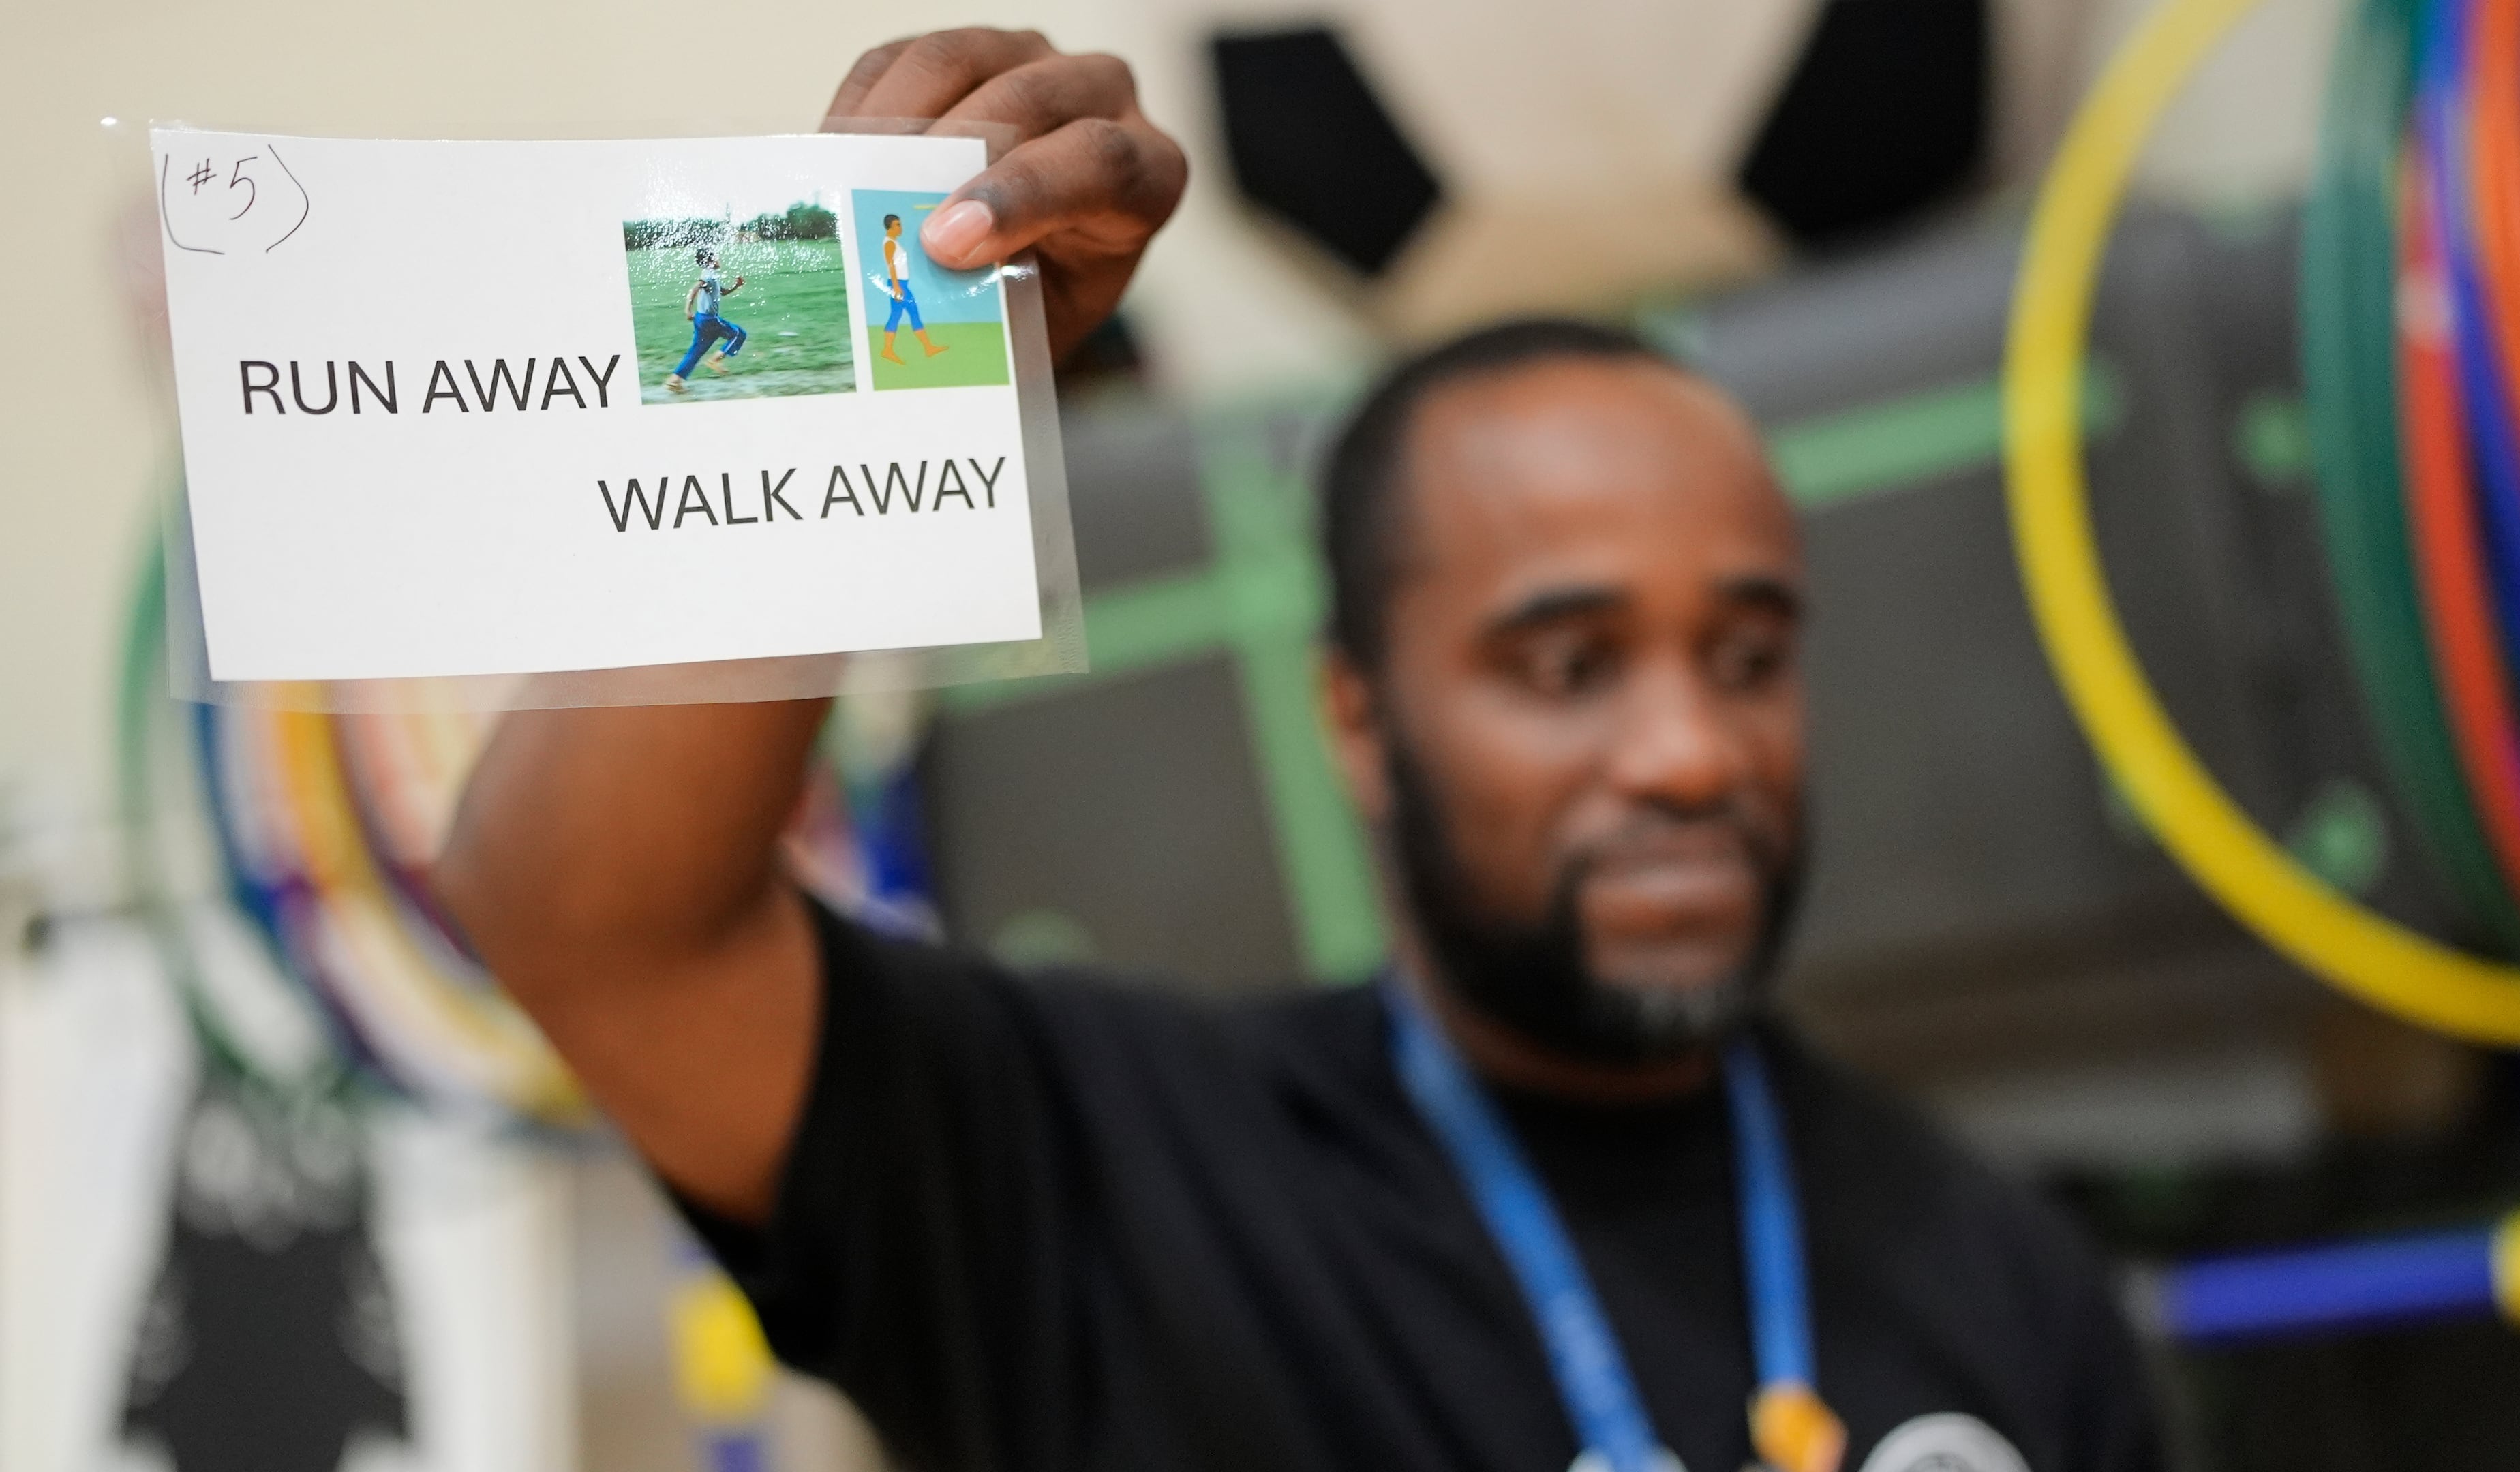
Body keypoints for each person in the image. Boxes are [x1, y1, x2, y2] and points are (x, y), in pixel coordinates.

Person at [436, 29, 2161, 1472]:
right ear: (1359, 714)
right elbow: (591, 920)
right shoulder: (1107, 1170)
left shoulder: (2003, 1274)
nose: (1688, 751)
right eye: (1564, 664)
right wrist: (844, 342)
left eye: (1748, 653)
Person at [667, 245, 748, 394]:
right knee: (739, 334)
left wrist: (737, 285)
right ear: (710, 260)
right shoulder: (708, 276)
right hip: (710, 320)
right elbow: (695, 288)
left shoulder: (711, 275)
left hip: (701, 320)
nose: (719, 259)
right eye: (716, 257)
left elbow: (722, 292)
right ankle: (715, 360)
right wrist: (687, 310)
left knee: (696, 352)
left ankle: (674, 381)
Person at [879, 211, 952, 363]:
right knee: (912, 313)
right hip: (898, 284)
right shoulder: (890, 243)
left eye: (900, 224)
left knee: (897, 315)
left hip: (900, 284)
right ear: (890, 227)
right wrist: (897, 287)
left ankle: (890, 350)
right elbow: (890, 265)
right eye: (897, 225)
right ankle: (927, 348)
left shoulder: (894, 242)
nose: (901, 228)